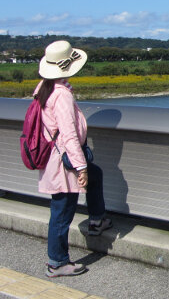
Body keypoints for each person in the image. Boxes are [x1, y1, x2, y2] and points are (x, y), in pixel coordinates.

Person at [35, 40, 112, 277]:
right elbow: (68, 135)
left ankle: (97, 220)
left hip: (53, 156)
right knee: (62, 210)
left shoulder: (44, 88)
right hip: (63, 160)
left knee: (96, 174)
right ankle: (57, 263)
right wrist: (81, 168)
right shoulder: (61, 96)